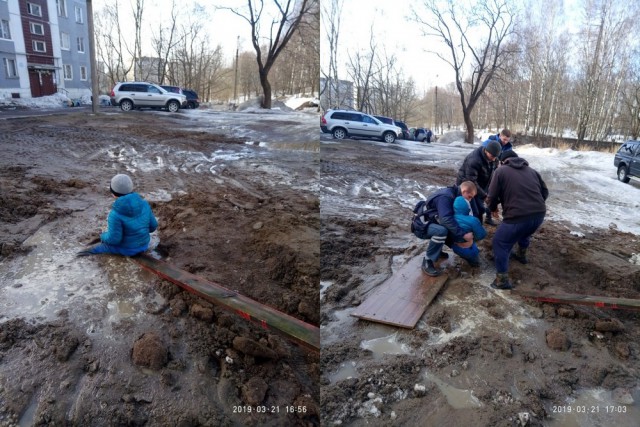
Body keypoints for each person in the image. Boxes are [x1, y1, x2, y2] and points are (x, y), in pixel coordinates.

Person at [486, 151, 549, 290]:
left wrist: (492, 208)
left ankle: (502, 280)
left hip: (517, 216)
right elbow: (545, 192)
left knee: (500, 242)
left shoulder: (500, 171)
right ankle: (522, 255)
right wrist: (534, 205)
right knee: (524, 232)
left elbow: (492, 195)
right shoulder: (532, 171)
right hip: (539, 214)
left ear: (503, 161)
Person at [77, 174, 158, 257]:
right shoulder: (144, 204)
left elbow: (114, 240)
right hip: (144, 245)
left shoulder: (115, 214)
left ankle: (77, 255)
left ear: (113, 193)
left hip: (127, 249)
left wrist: (102, 236)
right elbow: (153, 226)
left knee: (92, 249)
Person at [416, 181, 477, 276]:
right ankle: (428, 260)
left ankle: (437, 251)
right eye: (470, 197)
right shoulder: (446, 196)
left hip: (433, 221)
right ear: (464, 191)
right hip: (421, 226)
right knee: (441, 231)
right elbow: (445, 220)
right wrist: (463, 234)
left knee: (448, 230)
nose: (469, 200)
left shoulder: (455, 196)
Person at [456, 141, 502, 226]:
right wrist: (484, 196)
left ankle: (478, 225)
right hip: (468, 185)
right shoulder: (474, 160)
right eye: (492, 156)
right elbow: (471, 181)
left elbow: (495, 171)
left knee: (480, 208)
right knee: (474, 208)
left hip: (482, 183)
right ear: (486, 151)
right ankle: (471, 227)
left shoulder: (493, 157)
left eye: (496, 157)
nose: (494, 159)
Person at [452, 195, 487, 267]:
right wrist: (473, 237)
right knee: (476, 262)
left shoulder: (449, 218)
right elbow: (482, 235)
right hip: (468, 250)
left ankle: (463, 259)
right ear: (467, 207)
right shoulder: (473, 220)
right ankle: (474, 264)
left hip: (455, 248)